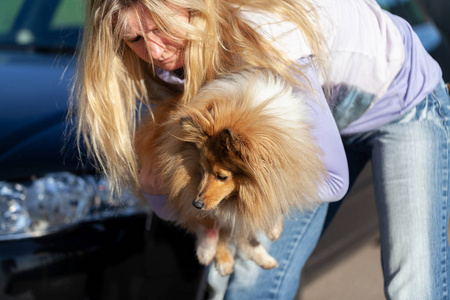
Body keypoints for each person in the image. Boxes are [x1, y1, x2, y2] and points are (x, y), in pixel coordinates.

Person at [72, 0, 450, 299]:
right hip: (312, 126)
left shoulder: (268, 35)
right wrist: (159, 187)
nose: (153, 50)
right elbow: (189, 197)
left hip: (401, 103)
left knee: (411, 286)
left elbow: (332, 181)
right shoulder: (171, 58)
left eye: (159, 28)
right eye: (135, 39)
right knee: (252, 283)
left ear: (190, 7)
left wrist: (243, 201)